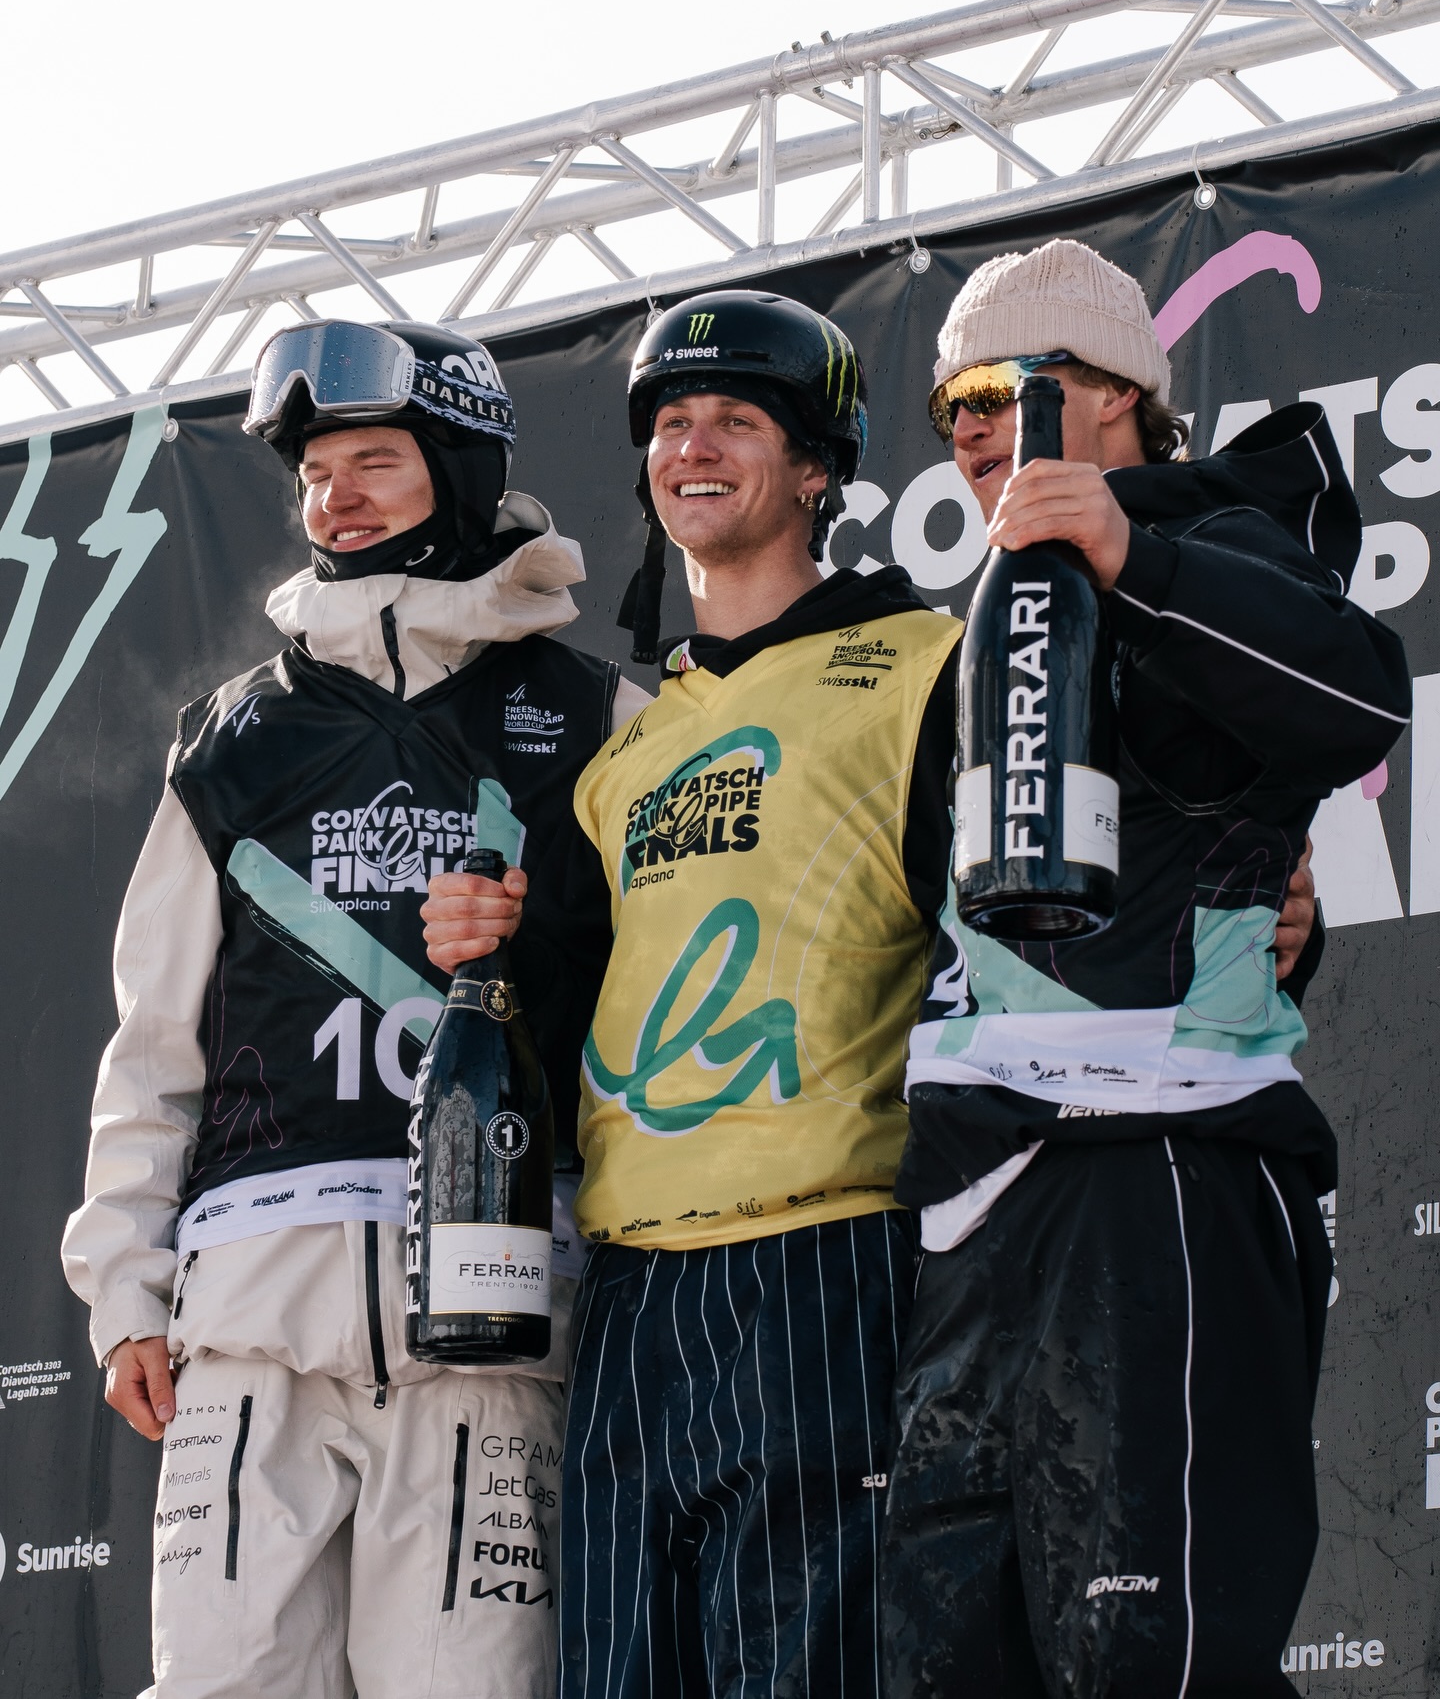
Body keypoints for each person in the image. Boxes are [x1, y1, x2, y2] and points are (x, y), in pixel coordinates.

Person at [61, 318, 648, 1699]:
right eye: (317, 474)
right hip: (251, 1324)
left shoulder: (599, 715)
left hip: (492, 1327)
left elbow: (664, 1016)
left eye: (374, 461)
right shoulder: (231, 738)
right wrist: (127, 1288)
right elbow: (154, 1042)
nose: (337, 498)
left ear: (461, 467)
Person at [882, 239, 1411, 1697]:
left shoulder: (1221, 536)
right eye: (949, 408)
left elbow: (1357, 699)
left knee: (1152, 1659)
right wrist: (1263, 927)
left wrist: (1132, 555)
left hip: (1156, 1164)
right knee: (951, 1657)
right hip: (977, 1192)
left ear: (1111, 391)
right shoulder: (989, 609)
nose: (970, 431)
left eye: (998, 391)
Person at [423, 287, 962, 1698]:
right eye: (670, 423)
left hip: (828, 1257)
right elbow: (552, 1019)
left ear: (818, 467)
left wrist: (1273, 917)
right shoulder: (626, 750)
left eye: (736, 420)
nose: (693, 447)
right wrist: (494, 943)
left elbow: (1038, 926)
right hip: (632, 1284)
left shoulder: (928, 667)